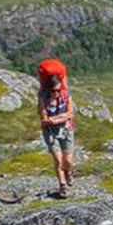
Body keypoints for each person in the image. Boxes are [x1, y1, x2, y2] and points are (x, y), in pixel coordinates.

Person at [37, 58, 76, 197]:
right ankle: (62, 185)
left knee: (68, 161)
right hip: (50, 132)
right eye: (54, 91)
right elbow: (43, 119)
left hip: (66, 129)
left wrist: (53, 119)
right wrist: (59, 118)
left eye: (59, 90)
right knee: (58, 160)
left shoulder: (66, 95)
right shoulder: (43, 98)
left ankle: (69, 172)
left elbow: (70, 113)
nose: (57, 93)